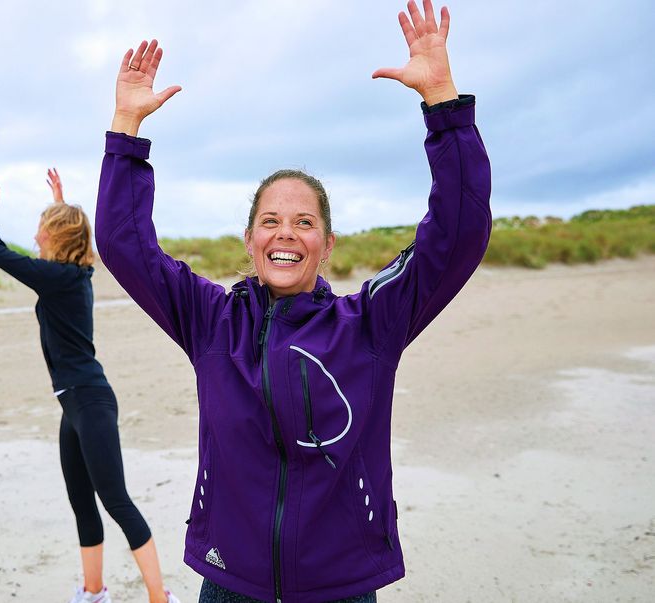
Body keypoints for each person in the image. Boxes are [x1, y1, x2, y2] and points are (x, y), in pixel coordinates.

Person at [94, 1, 491, 601]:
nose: (286, 233)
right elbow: (125, 244)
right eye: (271, 221)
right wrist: (126, 130)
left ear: (326, 245)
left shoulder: (370, 325)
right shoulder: (211, 322)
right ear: (250, 241)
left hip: (342, 585)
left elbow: (457, 234)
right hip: (231, 582)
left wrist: (443, 103)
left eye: (303, 222)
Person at [0, 169, 180, 603]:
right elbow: (68, 246)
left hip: (89, 401)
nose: (34, 234)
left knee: (116, 501)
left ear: (55, 237)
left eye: (42, 228)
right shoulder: (73, 276)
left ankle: (160, 597)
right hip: (75, 404)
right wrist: (61, 204)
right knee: (82, 503)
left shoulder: (61, 280)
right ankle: (93, 591)